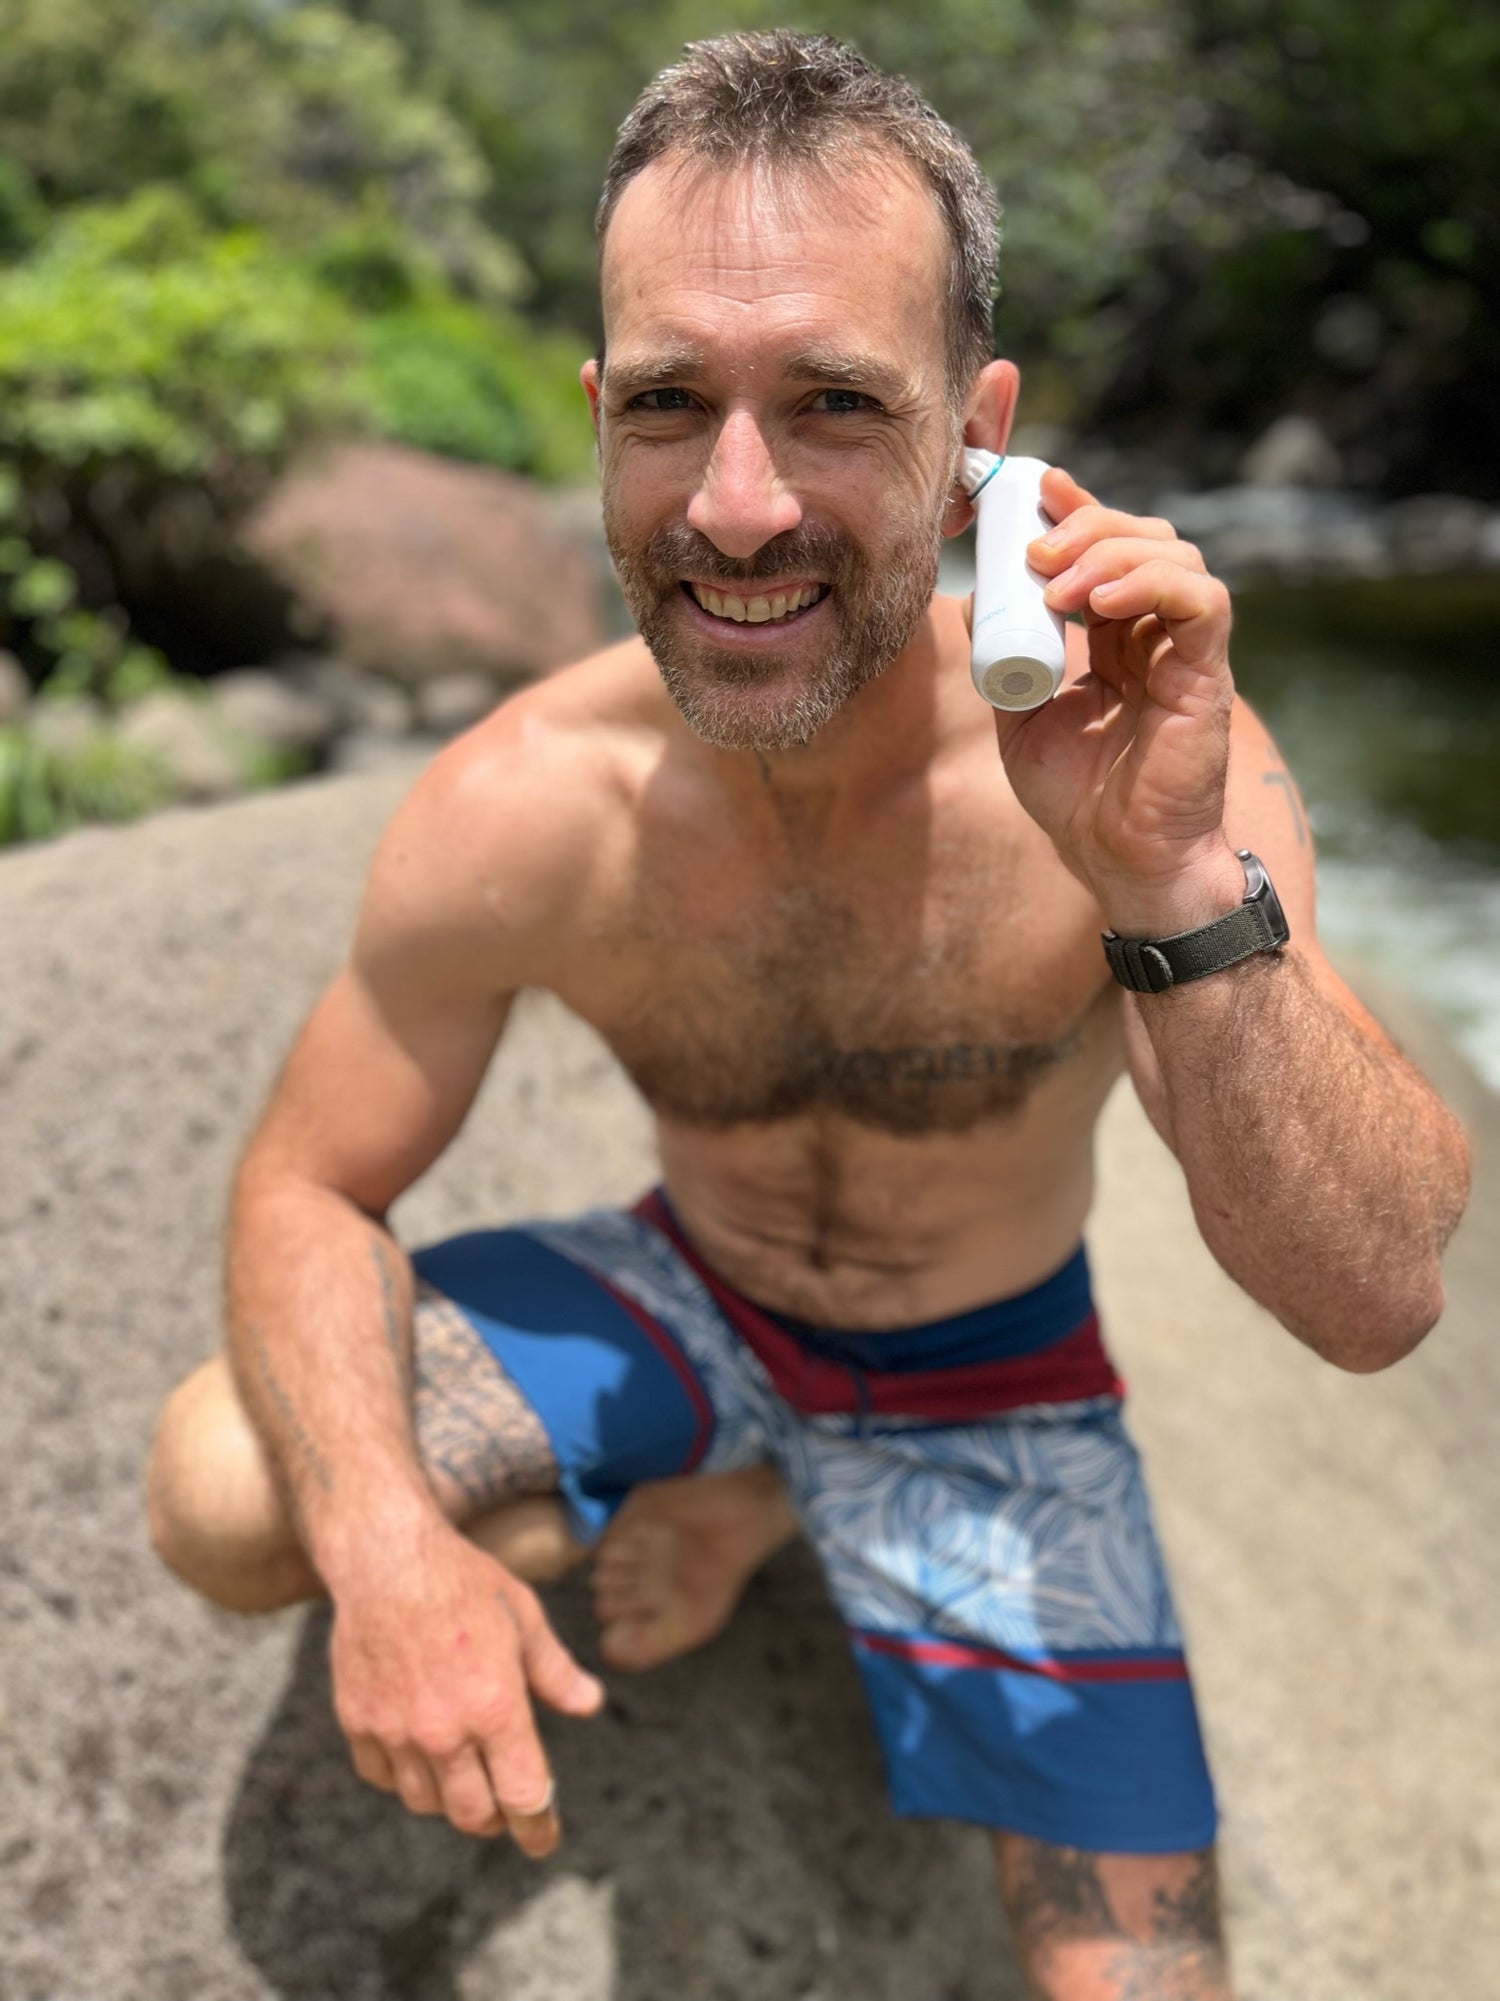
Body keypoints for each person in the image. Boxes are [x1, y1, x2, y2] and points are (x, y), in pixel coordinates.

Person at [145, 29, 1471, 2001]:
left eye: (840, 401)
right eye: (675, 403)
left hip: (996, 1377)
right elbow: (304, 1185)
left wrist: (1167, 881)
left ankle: (780, 1504)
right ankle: (747, 1475)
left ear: (976, 431)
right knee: (233, 1490)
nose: (740, 504)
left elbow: (1373, 1292)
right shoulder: (524, 804)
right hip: (697, 1287)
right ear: (600, 417)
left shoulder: (1146, 772)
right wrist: (399, 1559)